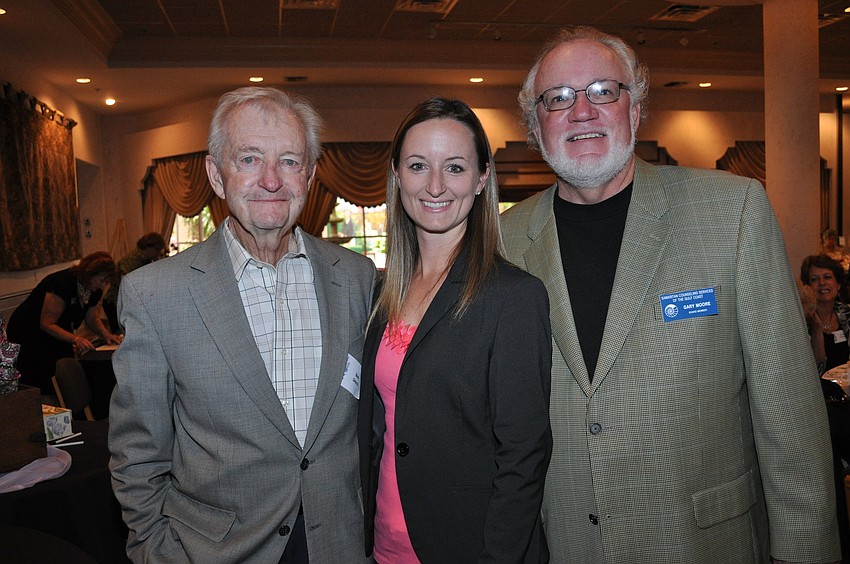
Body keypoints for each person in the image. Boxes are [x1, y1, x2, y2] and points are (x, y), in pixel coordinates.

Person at [500, 25, 840, 563]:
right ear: (535, 127)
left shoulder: (733, 212)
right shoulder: (504, 239)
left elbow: (789, 418)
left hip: (705, 544)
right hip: (564, 546)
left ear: (634, 109)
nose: (581, 111)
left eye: (602, 91)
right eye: (558, 98)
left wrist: (805, 553)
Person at [108, 87, 377, 563]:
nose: (271, 180)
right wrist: (154, 550)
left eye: (290, 161)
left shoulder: (356, 278)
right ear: (216, 174)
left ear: (311, 176)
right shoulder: (156, 293)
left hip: (339, 542)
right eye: (249, 158)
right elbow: (138, 454)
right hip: (214, 550)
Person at [358, 97, 552, 562]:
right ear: (397, 175)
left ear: (482, 178)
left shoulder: (513, 297)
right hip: (386, 545)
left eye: (456, 167)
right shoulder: (382, 292)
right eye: (419, 166)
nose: (436, 185)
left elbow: (523, 459)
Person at [6, 251, 121, 396]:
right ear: (89, 273)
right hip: (29, 331)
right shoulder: (61, 283)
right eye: (102, 280)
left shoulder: (93, 289)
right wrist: (76, 339)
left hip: (56, 328)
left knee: (64, 364)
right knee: (43, 372)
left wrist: (106, 334)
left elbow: (92, 318)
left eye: (107, 281)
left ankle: (66, 403)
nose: (103, 285)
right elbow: (47, 323)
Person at [102, 232, 168, 332]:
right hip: (114, 303)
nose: (158, 253)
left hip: (122, 303)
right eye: (157, 250)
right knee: (121, 334)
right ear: (148, 248)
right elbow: (129, 288)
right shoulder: (131, 261)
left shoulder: (144, 260)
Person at [801, 254, 850, 375]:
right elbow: (814, 369)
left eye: (827, 277)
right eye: (814, 279)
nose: (822, 283)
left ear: (838, 285)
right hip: (818, 390)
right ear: (807, 287)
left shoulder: (847, 313)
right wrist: (817, 328)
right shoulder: (802, 321)